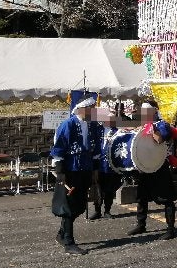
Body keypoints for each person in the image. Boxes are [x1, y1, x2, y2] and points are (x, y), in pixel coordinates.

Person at [127, 100, 177, 240]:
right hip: (146, 166)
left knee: (166, 198)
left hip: (159, 166)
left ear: (154, 111)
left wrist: (150, 127)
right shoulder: (142, 125)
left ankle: (170, 229)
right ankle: (141, 224)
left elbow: (159, 140)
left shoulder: (162, 124)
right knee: (142, 197)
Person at [50, 96, 99, 255]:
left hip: (86, 168)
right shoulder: (68, 124)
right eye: (91, 108)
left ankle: (61, 234)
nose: (94, 111)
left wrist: (95, 170)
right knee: (69, 206)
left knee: (79, 205)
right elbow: (59, 147)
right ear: (82, 109)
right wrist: (60, 172)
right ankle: (69, 242)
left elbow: (96, 149)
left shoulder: (92, 125)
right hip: (71, 170)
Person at [91, 106, 123, 220]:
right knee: (97, 188)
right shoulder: (98, 130)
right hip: (98, 164)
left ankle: (107, 211)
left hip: (111, 165)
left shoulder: (117, 131)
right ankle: (97, 210)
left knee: (109, 189)